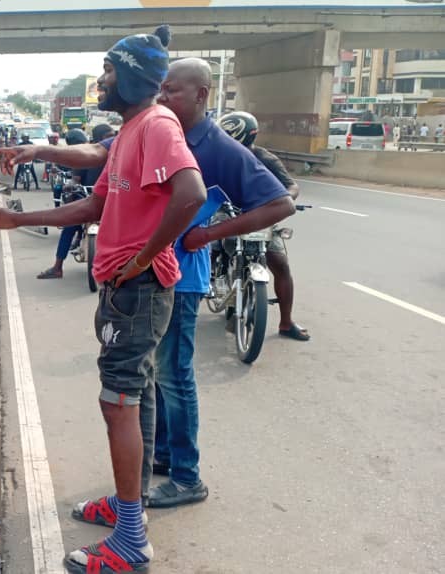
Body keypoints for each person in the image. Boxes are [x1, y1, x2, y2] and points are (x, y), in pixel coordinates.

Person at [0, 26, 207, 574]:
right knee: (139, 399)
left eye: (108, 70)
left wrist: (141, 256)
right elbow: (92, 208)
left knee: (119, 404)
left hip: (138, 289)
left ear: (130, 74)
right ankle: (132, 508)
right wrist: (18, 219)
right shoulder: (130, 130)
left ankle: (130, 539)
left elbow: (191, 193)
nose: (102, 79)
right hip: (127, 289)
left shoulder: (155, 124)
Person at [129, 61, 295, 511]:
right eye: (161, 89)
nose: (164, 98)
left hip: (181, 278)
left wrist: (209, 234)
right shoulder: (166, 132)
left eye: (175, 91)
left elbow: (280, 203)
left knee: (175, 375)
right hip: (153, 271)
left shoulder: (217, 146)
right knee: (155, 374)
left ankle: (187, 477)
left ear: (203, 94)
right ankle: (163, 455)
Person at [218, 110, 309, 342]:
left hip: (261, 218)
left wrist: (284, 199)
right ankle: (214, 282)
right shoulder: (219, 158)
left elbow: (291, 186)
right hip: (228, 213)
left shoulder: (265, 159)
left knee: (281, 265)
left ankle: (286, 322)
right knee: (208, 245)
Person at [37, 126, 114, 279]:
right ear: (97, 139)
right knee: (69, 227)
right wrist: (71, 185)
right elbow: (75, 178)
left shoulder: (118, 155)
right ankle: (57, 267)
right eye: (108, 137)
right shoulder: (87, 155)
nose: (112, 141)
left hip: (112, 201)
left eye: (113, 137)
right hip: (87, 198)